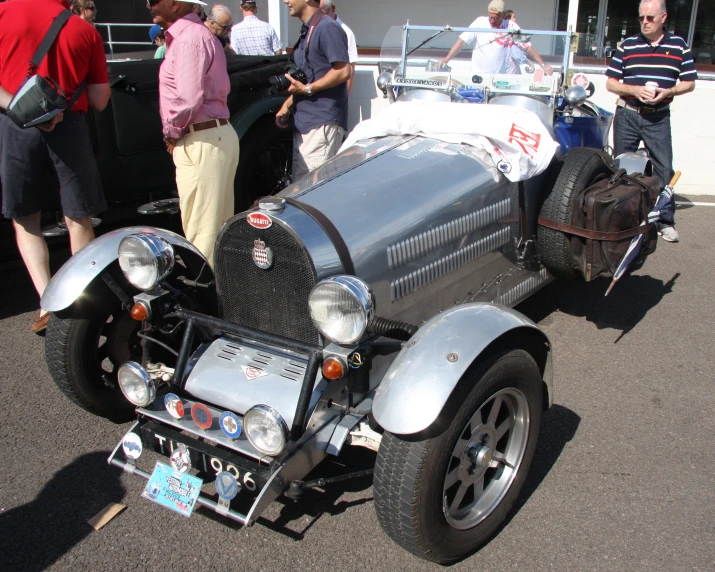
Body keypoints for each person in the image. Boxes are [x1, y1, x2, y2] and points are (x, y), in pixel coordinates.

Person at [0, 0, 110, 333]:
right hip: (70, 126)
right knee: (79, 217)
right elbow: (100, 99)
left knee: (26, 219)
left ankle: (46, 302)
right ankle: (81, 301)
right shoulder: (84, 30)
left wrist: (21, 108)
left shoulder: (5, 11)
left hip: (14, 125)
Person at [149, 0, 239, 267]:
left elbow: (188, 99)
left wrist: (171, 132)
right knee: (214, 230)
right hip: (212, 137)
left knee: (201, 232)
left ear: (176, 5)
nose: (149, 5)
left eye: (155, 1)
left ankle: (206, 301)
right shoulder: (198, 35)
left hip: (200, 138)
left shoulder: (188, 39)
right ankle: (219, 298)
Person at [606, 0, 697, 243]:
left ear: (663, 17)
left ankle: (665, 221)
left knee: (663, 168)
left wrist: (668, 92)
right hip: (627, 113)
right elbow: (611, 83)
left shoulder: (678, 45)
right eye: (641, 18)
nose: (645, 22)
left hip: (657, 117)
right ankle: (620, 220)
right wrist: (634, 90)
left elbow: (689, 82)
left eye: (650, 18)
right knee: (622, 169)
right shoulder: (627, 45)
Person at [275, 0, 350, 181]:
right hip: (307, 123)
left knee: (313, 190)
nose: (285, 1)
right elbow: (310, 74)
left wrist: (308, 88)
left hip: (320, 123)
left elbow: (343, 71)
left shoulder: (327, 28)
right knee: (302, 186)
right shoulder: (309, 28)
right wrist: (287, 105)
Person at [440, 0, 552, 76]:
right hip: (478, 75)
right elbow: (462, 42)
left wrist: (543, 65)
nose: (492, 21)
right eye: (490, 17)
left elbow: (527, 47)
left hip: (499, 78)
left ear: (503, 15)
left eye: (496, 18)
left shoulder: (511, 26)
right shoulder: (480, 22)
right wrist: (446, 59)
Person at [320, 0, 358, 93]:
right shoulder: (315, 29)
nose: (320, 17)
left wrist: (344, 99)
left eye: (323, 13)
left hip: (334, 95)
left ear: (333, 8)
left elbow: (350, 69)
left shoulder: (346, 33)